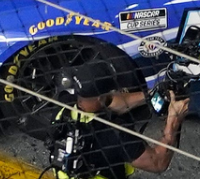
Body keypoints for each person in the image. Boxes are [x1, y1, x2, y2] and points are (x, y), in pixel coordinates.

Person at [52, 63, 190, 179]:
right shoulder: (115, 133)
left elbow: (112, 102)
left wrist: (151, 94)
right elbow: (158, 163)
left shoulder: (63, 109)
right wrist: (173, 121)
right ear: (101, 97)